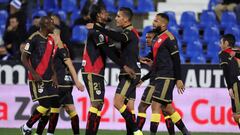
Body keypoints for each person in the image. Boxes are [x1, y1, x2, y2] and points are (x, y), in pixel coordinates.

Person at [87, 7, 142, 135]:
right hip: (130, 72)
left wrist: (98, 28)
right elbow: (126, 50)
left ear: (125, 19)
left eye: (118, 16)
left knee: (118, 102)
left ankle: (136, 131)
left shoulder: (129, 32)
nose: (116, 18)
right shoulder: (129, 32)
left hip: (130, 74)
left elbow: (119, 38)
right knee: (129, 107)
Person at [140, 13, 190, 135]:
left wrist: (178, 79)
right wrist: (145, 58)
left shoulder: (169, 38)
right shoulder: (157, 37)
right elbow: (154, 54)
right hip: (159, 76)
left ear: (163, 24)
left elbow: (176, 59)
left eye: (156, 21)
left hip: (167, 76)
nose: (153, 23)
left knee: (155, 106)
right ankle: (186, 133)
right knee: (167, 108)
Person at [33, 28, 85, 135]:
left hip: (60, 83)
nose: (49, 36)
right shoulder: (52, 47)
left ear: (55, 35)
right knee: (68, 109)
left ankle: (40, 133)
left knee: (50, 108)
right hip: (61, 82)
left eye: (51, 34)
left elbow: (70, 65)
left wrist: (77, 81)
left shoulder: (61, 48)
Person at [20, 16, 60, 135]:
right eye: (52, 24)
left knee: (53, 106)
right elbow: (24, 58)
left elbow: (51, 59)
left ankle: (40, 133)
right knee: (45, 105)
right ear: (45, 25)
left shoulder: (51, 40)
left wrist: (54, 74)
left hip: (49, 78)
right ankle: (26, 127)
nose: (54, 26)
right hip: (37, 78)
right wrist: (34, 73)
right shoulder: (33, 38)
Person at [136, 31, 175, 135]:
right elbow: (154, 67)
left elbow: (156, 68)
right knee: (165, 110)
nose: (147, 40)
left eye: (149, 38)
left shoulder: (157, 51)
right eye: (146, 37)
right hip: (162, 81)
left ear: (156, 39)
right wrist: (143, 78)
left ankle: (137, 133)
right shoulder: (155, 52)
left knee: (142, 107)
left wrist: (143, 78)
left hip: (156, 83)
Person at [219, 34, 240, 129]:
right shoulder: (237, 51)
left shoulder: (223, 54)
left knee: (237, 115)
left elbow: (227, 72)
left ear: (226, 43)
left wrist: (230, 87)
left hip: (236, 84)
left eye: (221, 42)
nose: (220, 45)